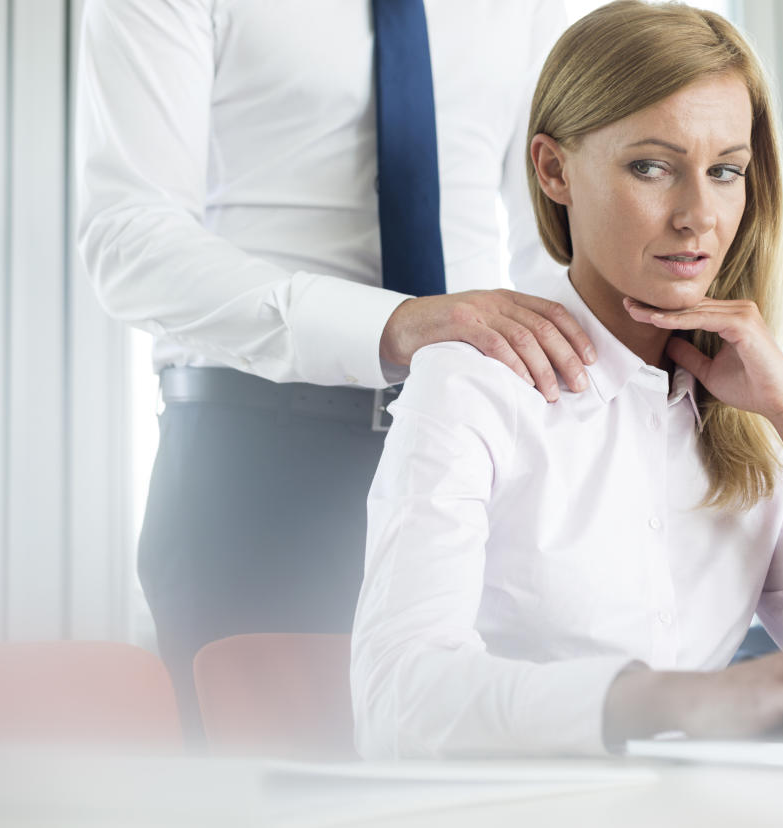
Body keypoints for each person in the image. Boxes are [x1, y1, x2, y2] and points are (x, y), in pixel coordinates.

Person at [350, 0, 783, 758]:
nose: (697, 215)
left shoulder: (740, 412)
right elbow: (401, 704)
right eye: (651, 166)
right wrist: (679, 703)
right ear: (554, 170)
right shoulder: (472, 388)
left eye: (725, 172)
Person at [75, 0, 593, 737]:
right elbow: (130, 242)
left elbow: (561, 238)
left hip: (485, 454)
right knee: (274, 791)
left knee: (488, 774)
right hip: (258, 461)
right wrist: (390, 324)